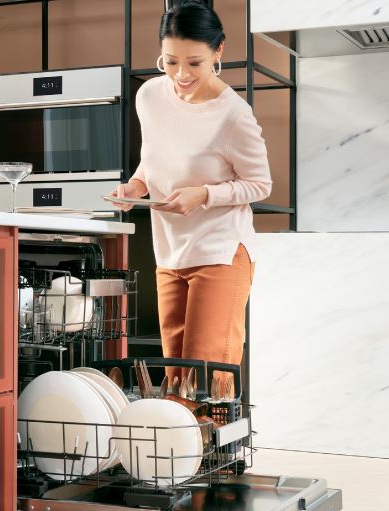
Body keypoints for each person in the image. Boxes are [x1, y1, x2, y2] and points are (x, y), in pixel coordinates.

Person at [108, 0, 272, 398]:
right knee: (176, 371)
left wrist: (204, 195)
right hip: (169, 251)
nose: (181, 75)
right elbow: (153, 162)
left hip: (220, 250)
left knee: (205, 368)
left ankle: (214, 453)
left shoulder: (234, 114)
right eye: (170, 61)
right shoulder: (149, 96)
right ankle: (178, 455)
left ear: (218, 53)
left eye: (194, 63)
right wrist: (135, 187)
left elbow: (260, 184)